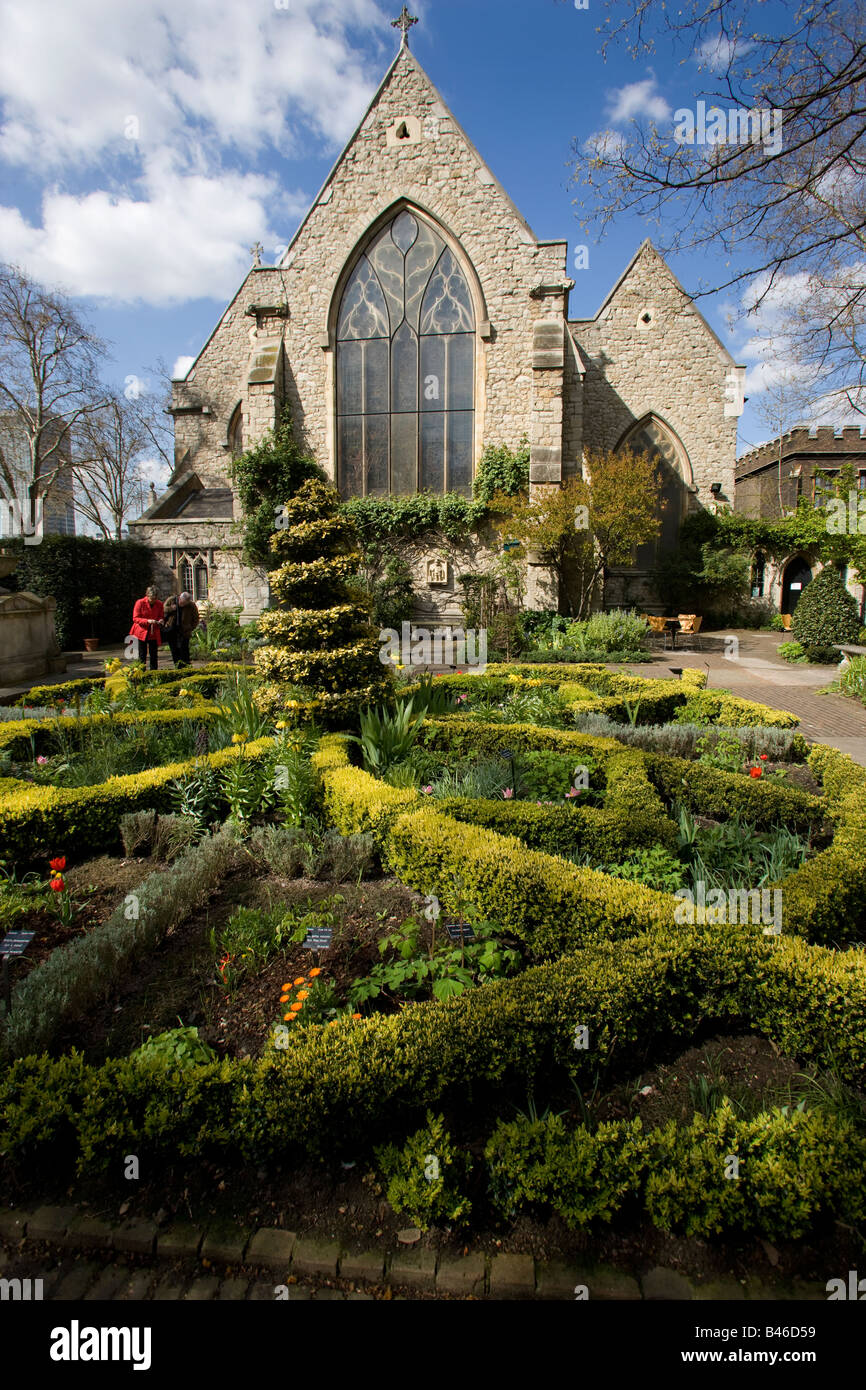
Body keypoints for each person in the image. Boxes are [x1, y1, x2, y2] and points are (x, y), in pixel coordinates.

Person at [162, 590, 200, 667]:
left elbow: (196, 619)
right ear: (180, 598)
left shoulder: (191, 605)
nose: (182, 605)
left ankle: (186, 667)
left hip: (184, 631)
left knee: (184, 651)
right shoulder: (172, 600)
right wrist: (171, 609)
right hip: (172, 630)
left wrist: (190, 628)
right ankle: (177, 666)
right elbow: (162, 610)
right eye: (182, 603)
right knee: (174, 651)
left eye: (185, 604)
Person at [130, 586, 164, 669]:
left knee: (154, 655)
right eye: (151, 599)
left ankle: (154, 673)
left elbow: (161, 616)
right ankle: (141, 673)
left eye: (155, 599)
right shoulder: (140, 603)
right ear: (147, 596)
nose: (153, 601)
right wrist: (147, 621)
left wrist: (161, 620)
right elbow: (135, 618)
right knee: (142, 655)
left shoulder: (159, 604)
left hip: (153, 632)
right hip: (141, 632)